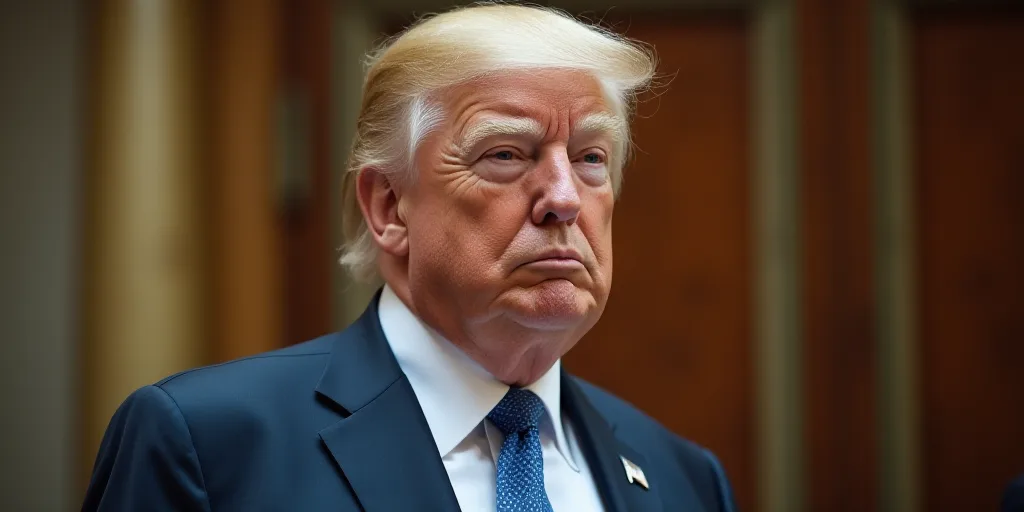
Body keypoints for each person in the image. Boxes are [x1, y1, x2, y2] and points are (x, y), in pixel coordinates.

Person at [83, 4, 737, 511]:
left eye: (591, 158)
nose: (564, 199)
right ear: (390, 207)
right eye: (506, 154)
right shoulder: (210, 444)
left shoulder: (683, 477)